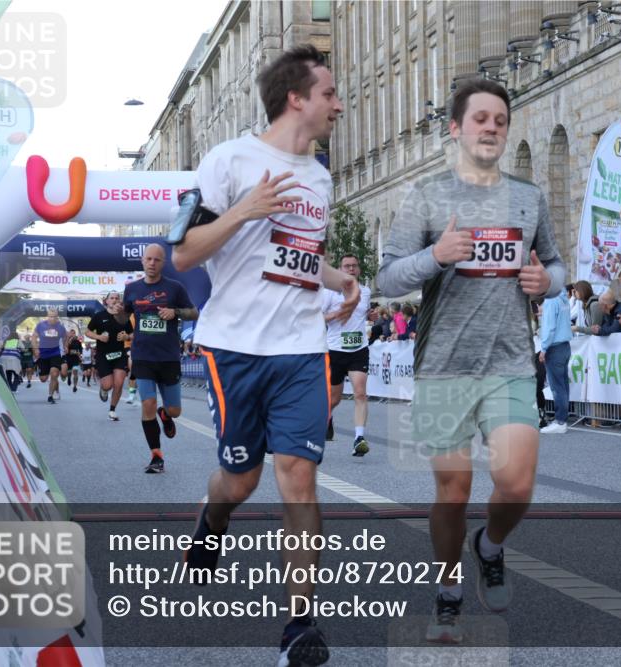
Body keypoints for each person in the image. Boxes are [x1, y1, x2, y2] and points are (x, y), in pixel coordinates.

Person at [172, 44, 355, 666]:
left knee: (298, 478)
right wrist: (244, 209)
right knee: (240, 480)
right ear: (296, 98)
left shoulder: (322, 175)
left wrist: (341, 282)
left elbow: (297, 255)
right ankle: (211, 519)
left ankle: (299, 628)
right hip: (235, 345)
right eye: (329, 93)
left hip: (302, 347)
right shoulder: (228, 160)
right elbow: (184, 253)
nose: (339, 103)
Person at [378, 77, 566, 644]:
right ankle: (448, 592)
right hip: (442, 365)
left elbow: (557, 267)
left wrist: (545, 282)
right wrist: (435, 256)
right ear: (456, 128)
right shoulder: (427, 197)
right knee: (453, 492)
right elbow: (386, 278)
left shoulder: (528, 198)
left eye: (500, 121)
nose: (491, 128)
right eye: (480, 119)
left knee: (516, 482)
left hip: (508, 359)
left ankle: (490, 546)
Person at [121, 244, 198, 473]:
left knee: (174, 410)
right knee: (147, 403)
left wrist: (176, 312)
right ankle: (156, 456)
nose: (152, 263)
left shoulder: (175, 288)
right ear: (142, 261)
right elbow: (125, 315)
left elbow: (194, 312)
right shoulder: (132, 289)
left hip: (169, 357)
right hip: (143, 356)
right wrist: (116, 314)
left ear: (163, 263)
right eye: (149, 259)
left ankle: (165, 415)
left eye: (157, 260)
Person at [322, 254, 372, 456]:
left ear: (358, 269)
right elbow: (316, 318)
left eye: (354, 265)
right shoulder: (330, 294)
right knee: (334, 399)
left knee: (360, 393)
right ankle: (327, 418)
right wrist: (333, 315)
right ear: (340, 270)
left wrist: (371, 316)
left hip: (359, 350)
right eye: (346, 266)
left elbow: (362, 314)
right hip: (335, 350)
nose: (351, 269)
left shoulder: (366, 292)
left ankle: (359, 438)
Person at [86, 290, 134, 421]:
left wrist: (127, 336)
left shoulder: (123, 317)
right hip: (103, 356)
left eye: (117, 298)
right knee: (109, 385)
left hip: (120, 355)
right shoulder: (99, 316)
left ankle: (112, 410)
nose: (114, 300)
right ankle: (103, 388)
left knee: (118, 383)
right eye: (111, 298)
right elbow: (87, 332)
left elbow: (133, 334)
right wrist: (99, 337)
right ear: (106, 301)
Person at [539, 286, 572, 434]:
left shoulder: (551, 301)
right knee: (563, 385)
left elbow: (550, 327)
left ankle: (560, 421)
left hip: (554, 346)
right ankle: (562, 419)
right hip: (565, 345)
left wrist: (544, 348)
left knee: (557, 387)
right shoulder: (563, 298)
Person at [32, 308, 68, 404]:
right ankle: (44, 373)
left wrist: (65, 346)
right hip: (43, 354)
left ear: (57, 317)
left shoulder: (60, 327)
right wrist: (35, 348)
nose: (52, 318)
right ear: (47, 316)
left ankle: (50, 396)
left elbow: (66, 337)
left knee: (54, 373)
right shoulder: (41, 325)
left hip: (55, 353)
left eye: (54, 316)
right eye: (50, 316)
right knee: (43, 379)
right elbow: (34, 337)